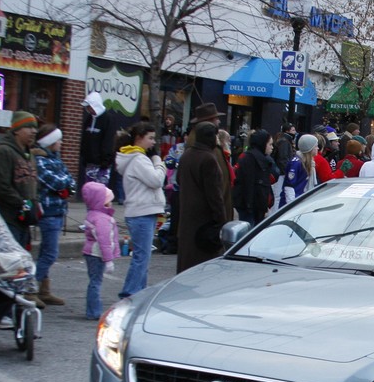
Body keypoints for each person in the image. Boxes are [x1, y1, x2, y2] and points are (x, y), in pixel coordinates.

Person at [115, 122, 165, 298]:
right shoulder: (139, 159)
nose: (153, 142)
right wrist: (159, 164)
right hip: (142, 212)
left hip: (140, 212)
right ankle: (130, 293)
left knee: (142, 257)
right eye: (150, 138)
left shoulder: (133, 158)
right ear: (139, 138)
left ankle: (138, 293)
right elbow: (155, 181)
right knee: (141, 258)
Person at [33, 124, 76, 306]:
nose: (61, 142)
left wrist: (66, 184)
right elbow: (56, 182)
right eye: (58, 140)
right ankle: (30, 287)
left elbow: (70, 181)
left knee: (46, 252)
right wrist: (65, 184)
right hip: (48, 212)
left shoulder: (56, 159)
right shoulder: (40, 160)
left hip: (59, 210)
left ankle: (44, 290)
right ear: (49, 142)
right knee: (50, 254)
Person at [177, 122, 229, 273]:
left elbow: (180, 180)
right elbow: (214, 195)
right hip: (204, 223)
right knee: (201, 266)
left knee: (186, 262)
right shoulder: (208, 159)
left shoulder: (187, 155)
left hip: (188, 218)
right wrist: (221, 221)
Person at [0, 111, 40, 250]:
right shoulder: (4, 151)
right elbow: (0, 186)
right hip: (8, 220)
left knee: (22, 264)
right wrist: (23, 204)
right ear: (17, 129)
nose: (34, 131)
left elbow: (34, 183)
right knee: (11, 263)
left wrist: (35, 203)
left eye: (35, 128)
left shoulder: (29, 155)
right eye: (29, 127)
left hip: (24, 221)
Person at [81, 181, 121, 320]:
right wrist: (109, 260)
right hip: (97, 254)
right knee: (96, 283)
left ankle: (92, 309)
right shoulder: (102, 219)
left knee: (94, 281)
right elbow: (105, 242)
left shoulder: (93, 215)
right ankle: (94, 312)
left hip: (91, 253)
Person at [79, 92, 120, 192]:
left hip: (102, 165)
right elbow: (85, 139)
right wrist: (84, 156)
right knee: (89, 192)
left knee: (101, 194)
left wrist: (105, 161)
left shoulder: (108, 119)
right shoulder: (89, 119)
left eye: (90, 106)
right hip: (90, 163)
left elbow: (108, 141)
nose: (88, 109)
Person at [233, 129, 276, 224]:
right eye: (270, 144)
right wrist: (252, 207)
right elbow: (249, 186)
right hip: (251, 210)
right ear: (262, 144)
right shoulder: (251, 159)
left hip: (255, 209)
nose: (272, 147)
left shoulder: (261, 159)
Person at [281, 134, 321, 203]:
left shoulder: (308, 162)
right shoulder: (296, 163)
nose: (318, 148)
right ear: (310, 148)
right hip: (292, 202)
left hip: (300, 200)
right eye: (316, 146)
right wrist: (291, 206)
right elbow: (289, 187)